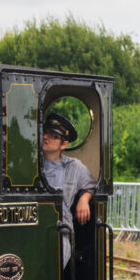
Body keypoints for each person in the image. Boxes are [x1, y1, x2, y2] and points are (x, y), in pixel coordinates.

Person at [40, 112, 96, 267]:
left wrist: (84, 199)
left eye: (53, 136)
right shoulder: (31, 162)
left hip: (60, 231)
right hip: (34, 230)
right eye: (45, 133)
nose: (46, 137)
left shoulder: (75, 166)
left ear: (63, 145)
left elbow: (90, 185)